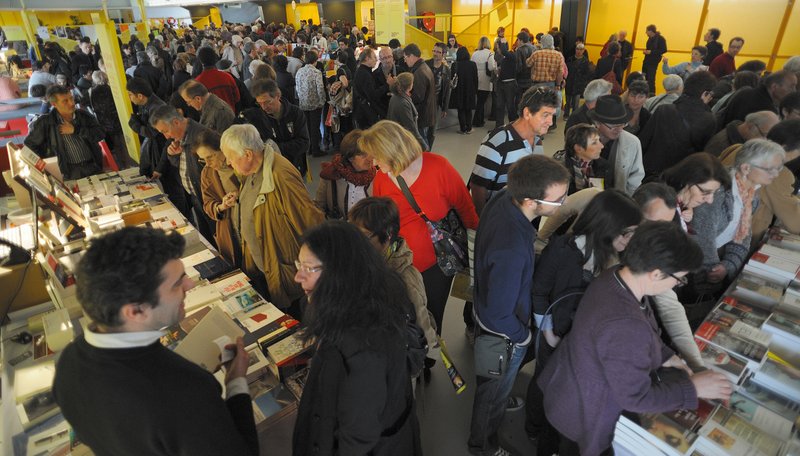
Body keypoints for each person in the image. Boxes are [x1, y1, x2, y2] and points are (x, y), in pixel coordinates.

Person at [52, 227, 259, 456]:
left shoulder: (67, 364)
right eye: (177, 284)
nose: (190, 285)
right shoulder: (188, 391)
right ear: (135, 311)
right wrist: (236, 382)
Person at [539, 221, 733, 456]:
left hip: (571, 386)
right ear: (656, 273)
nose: (677, 284)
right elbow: (636, 398)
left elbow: (643, 325)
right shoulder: (624, 324)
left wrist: (667, 356)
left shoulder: (618, 275)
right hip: (583, 410)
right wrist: (692, 388)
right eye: (679, 278)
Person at [526, 190, 643, 455]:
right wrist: (547, 331)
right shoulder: (563, 250)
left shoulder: (615, 255)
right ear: (607, 228)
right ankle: (535, 429)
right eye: (627, 233)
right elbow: (539, 291)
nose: (630, 240)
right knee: (546, 383)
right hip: (554, 334)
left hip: (583, 341)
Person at [468, 155, 570, 456]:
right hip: (502, 334)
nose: (562, 205)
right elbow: (500, 313)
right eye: (558, 199)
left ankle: (497, 402)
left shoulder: (504, 197)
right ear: (530, 200)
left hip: (487, 305)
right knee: (492, 393)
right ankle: (483, 446)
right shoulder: (511, 246)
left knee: (492, 384)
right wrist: (522, 337)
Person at [292, 221, 420, 455]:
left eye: (308, 268)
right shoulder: (367, 299)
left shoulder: (363, 348)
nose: (297, 277)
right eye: (299, 264)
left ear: (340, 273)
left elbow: (357, 440)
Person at [360, 120, 479, 337]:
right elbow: (379, 220)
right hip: (398, 263)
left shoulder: (439, 168)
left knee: (431, 315)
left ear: (392, 152)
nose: (373, 163)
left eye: (377, 156)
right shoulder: (381, 178)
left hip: (437, 264)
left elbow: (466, 208)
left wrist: (476, 248)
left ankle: (430, 358)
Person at [220, 124, 324, 312]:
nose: (228, 162)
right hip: (265, 267)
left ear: (248, 154)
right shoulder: (251, 171)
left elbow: (309, 221)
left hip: (286, 273)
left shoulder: (280, 175)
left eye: (230, 157)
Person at [691, 139, 785, 291]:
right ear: (746, 168)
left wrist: (728, 265)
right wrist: (714, 270)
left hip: (711, 265)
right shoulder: (717, 191)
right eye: (770, 169)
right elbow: (702, 237)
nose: (776, 174)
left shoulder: (752, 191)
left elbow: (743, 235)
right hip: (688, 266)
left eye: (778, 168)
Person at [349, 197, 438, 349]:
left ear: (388, 234)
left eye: (363, 236)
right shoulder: (361, 259)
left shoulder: (406, 279)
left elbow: (421, 329)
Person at [469, 86, 557, 215]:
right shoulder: (498, 142)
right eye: (545, 115)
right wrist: (483, 221)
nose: (550, 122)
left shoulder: (537, 141)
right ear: (527, 113)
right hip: (499, 218)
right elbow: (477, 186)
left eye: (552, 115)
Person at [719, 121, 800, 249]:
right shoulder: (777, 173)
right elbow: (795, 223)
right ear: (784, 148)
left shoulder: (739, 148)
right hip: (734, 244)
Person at [150, 104, 217, 245]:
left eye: (165, 131)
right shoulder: (180, 136)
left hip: (209, 198)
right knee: (207, 239)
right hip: (196, 197)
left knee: (217, 238)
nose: (166, 136)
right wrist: (173, 155)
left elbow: (215, 169)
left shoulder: (200, 135)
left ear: (176, 122)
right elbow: (185, 167)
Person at [640, 70, 718, 178]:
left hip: (650, 170)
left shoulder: (664, 109)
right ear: (704, 93)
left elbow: (644, 140)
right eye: (710, 95)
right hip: (679, 175)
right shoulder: (709, 120)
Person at [25, 85, 104, 179]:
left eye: (71, 98)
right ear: (54, 104)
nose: (71, 103)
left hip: (93, 165)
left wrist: (75, 130)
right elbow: (29, 145)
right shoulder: (46, 123)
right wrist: (47, 165)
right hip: (69, 172)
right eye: (65, 101)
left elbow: (100, 134)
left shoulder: (83, 116)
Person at [237, 79, 311, 178]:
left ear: (277, 96)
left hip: (295, 168)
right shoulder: (258, 118)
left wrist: (275, 148)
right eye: (260, 103)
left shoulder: (295, 113)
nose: (264, 107)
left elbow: (304, 143)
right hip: (272, 171)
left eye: (267, 102)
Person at [195, 129, 241, 265]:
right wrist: (221, 206)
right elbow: (207, 204)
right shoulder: (207, 173)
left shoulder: (239, 163)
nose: (207, 163)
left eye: (210, 157)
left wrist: (240, 194)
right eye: (202, 159)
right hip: (229, 230)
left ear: (222, 149)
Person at [587, 95, 644, 195]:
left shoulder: (632, 143)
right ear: (597, 123)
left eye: (622, 124)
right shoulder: (584, 140)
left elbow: (636, 178)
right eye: (613, 125)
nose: (619, 129)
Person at [315, 129, 375, 219]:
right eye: (363, 155)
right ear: (350, 157)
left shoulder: (377, 177)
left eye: (370, 153)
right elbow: (318, 207)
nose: (370, 158)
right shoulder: (331, 175)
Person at [721, 70, 798, 126]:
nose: (794, 91)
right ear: (774, 87)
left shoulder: (745, 92)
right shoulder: (768, 112)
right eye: (791, 87)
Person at [553, 123, 609, 195]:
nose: (601, 146)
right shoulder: (559, 170)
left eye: (599, 140)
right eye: (594, 143)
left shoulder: (603, 166)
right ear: (578, 148)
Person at [705, 110, 780, 157]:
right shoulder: (721, 146)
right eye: (765, 135)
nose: (765, 141)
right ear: (750, 126)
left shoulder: (739, 138)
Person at [295, 50, 327, 157]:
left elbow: (298, 88)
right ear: (315, 60)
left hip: (303, 103)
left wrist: (301, 99)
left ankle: (308, 149)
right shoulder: (316, 72)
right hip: (315, 104)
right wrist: (322, 101)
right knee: (315, 127)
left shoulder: (299, 71)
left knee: (307, 127)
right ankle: (316, 149)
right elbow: (320, 89)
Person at [404, 44, 436, 143]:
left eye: (405, 57)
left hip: (422, 116)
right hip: (427, 113)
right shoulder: (423, 67)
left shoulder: (419, 72)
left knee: (422, 144)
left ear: (412, 56)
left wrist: (404, 94)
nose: (405, 60)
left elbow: (417, 97)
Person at [387, 72, 428, 150]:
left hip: (397, 138)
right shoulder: (403, 103)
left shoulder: (395, 97)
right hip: (403, 143)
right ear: (409, 86)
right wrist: (423, 145)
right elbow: (411, 126)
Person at [352, 47, 389, 129]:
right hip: (365, 115)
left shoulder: (362, 71)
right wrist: (387, 85)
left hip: (361, 112)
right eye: (374, 57)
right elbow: (373, 95)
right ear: (367, 58)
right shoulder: (364, 74)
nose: (376, 60)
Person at [195, 46, 240, 112]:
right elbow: (237, 98)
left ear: (201, 62)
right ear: (215, 59)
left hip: (211, 119)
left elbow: (198, 106)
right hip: (230, 115)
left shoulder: (198, 82)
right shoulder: (227, 77)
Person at [451, 46, 479, 135]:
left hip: (459, 89)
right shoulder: (473, 64)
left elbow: (452, 78)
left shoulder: (455, 64)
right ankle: (469, 128)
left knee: (461, 109)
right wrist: (475, 90)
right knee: (468, 109)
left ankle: (463, 129)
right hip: (470, 89)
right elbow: (475, 78)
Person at [471, 36, 496, 128]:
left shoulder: (474, 53)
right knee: (482, 101)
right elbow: (491, 67)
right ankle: (478, 120)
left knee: (479, 100)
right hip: (486, 78)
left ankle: (478, 120)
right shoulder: (490, 54)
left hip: (476, 78)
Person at [564, 43, 591, 119]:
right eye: (577, 49)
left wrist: (583, 83)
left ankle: (574, 116)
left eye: (581, 49)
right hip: (569, 82)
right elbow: (566, 71)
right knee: (567, 101)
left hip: (579, 84)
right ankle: (566, 114)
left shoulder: (585, 61)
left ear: (583, 51)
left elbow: (587, 74)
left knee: (576, 103)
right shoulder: (570, 59)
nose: (579, 51)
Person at [642, 24, 668, 95]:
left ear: (651, 31)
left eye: (646, 31)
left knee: (651, 79)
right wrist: (646, 51)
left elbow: (664, 50)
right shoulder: (649, 39)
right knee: (645, 78)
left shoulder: (660, 39)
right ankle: (645, 94)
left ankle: (652, 95)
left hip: (653, 62)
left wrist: (651, 52)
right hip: (646, 61)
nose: (646, 32)